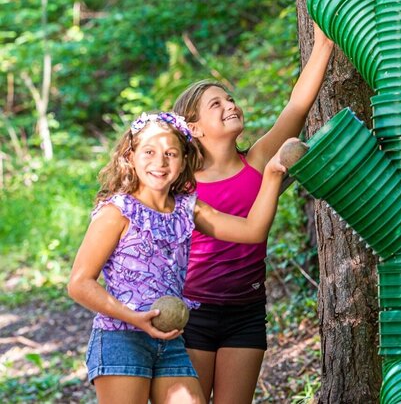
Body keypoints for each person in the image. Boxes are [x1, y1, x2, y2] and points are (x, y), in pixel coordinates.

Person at [68, 112, 291, 403]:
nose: (160, 162)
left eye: (170, 153)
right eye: (149, 152)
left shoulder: (189, 209)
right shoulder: (117, 212)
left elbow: (253, 230)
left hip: (170, 341)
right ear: (130, 156)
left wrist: (272, 174)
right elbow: (79, 283)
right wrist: (135, 318)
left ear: (184, 160)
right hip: (121, 337)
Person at [170, 22, 333, 403]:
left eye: (229, 99)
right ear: (192, 127)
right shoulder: (181, 183)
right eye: (217, 104)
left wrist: (323, 45)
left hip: (246, 311)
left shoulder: (257, 162)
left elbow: (297, 105)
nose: (231, 106)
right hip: (193, 313)